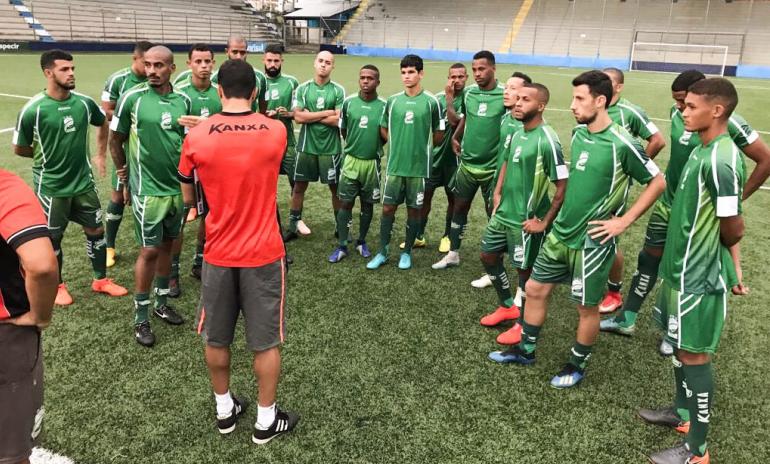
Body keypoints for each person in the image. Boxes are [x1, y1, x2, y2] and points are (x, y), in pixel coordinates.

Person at [494, 71, 665, 389]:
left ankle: (577, 364)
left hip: (593, 240)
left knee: (586, 307)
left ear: (600, 101)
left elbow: (658, 181)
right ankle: (525, 351)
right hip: (561, 232)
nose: (572, 105)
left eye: (579, 98)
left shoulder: (622, 142)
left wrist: (623, 221)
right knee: (535, 289)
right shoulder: (578, 133)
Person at [601, 69, 770, 355]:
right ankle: (627, 318)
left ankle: (674, 330)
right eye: (679, 102)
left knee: (682, 270)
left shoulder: (729, 124)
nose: (680, 109)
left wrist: (736, 200)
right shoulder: (679, 113)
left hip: (696, 213)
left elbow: (765, 160)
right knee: (648, 259)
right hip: (667, 204)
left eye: (686, 102)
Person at [178, 58, 299, 444]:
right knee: (266, 342)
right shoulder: (275, 131)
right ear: (255, 91)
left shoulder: (198, 135)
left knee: (217, 338)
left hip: (217, 253)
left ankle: (224, 412)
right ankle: (265, 421)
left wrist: (207, 127)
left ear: (218, 90)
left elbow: (187, 191)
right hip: (263, 252)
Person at [642, 78, 745, 464]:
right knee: (680, 349)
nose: (682, 111)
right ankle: (681, 413)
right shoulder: (702, 149)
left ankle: (697, 450)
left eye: (690, 106)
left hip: (698, 278)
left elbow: (733, 226)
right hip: (679, 272)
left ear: (716, 110)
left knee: (695, 356)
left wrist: (729, 265)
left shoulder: (721, 159)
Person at [13, 49, 128, 306]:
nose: (71, 73)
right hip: (52, 187)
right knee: (54, 238)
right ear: (48, 73)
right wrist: (44, 157)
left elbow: (102, 122)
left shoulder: (84, 103)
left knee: (96, 230)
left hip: (84, 184)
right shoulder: (33, 110)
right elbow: (19, 148)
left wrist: (100, 154)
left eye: (72, 68)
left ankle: (100, 280)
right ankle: (57, 286)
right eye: (64, 69)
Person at [110, 45, 191, 347]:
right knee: (149, 251)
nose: (152, 71)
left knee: (168, 245)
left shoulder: (183, 100)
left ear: (172, 68)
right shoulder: (132, 98)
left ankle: (161, 303)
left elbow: (187, 145)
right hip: (147, 191)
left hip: (176, 189)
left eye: (159, 65)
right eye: (148, 65)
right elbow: (115, 139)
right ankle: (140, 318)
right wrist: (123, 176)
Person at [482, 83, 568, 352]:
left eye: (525, 99)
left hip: (525, 220)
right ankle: (507, 306)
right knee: (488, 256)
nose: (518, 103)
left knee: (524, 272)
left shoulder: (547, 139)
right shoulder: (518, 132)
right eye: (517, 98)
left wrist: (544, 222)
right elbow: (506, 161)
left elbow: (562, 184)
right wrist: (497, 193)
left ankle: (522, 323)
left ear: (541, 106)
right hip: (503, 213)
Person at [0, 169, 59, 464]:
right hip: (6, 335)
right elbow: (41, 265)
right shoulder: (4, 186)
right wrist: (40, 316)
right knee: (11, 454)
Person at [597, 67, 667, 314]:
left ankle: (614, 292)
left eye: (608, 81)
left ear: (619, 87)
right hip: (592, 183)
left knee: (608, 237)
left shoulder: (630, 111)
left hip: (614, 189)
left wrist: (633, 169)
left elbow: (658, 140)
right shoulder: (595, 108)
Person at [367, 54, 443, 270]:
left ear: (421, 74)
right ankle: (382, 252)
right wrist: (397, 142)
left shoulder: (431, 102)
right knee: (387, 209)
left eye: (411, 72)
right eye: (403, 72)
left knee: (414, 211)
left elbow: (438, 134)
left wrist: (420, 147)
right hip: (395, 166)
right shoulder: (393, 101)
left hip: (418, 169)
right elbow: (383, 127)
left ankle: (406, 252)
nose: (407, 76)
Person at [432, 50, 506, 271]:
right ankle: (453, 254)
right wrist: (456, 137)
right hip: (467, 165)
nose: (477, 73)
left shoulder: (504, 95)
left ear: (493, 68)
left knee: (493, 215)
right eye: (474, 70)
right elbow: (465, 118)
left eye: (482, 69)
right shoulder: (470, 93)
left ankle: (495, 265)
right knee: (459, 207)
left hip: (492, 168)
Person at [471, 71, 532, 290]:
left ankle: (522, 290)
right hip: (499, 188)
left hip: (519, 196)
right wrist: (497, 190)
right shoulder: (505, 118)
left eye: (513, 88)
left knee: (520, 246)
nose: (506, 92)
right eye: (506, 87)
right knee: (494, 238)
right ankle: (496, 275)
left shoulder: (529, 126)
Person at [171, 43, 223, 296]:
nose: (203, 66)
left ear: (213, 63)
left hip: (213, 165)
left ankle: (199, 261)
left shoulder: (220, 93)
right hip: (186, 165)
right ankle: (172, 273)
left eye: (207, 61)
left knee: (209, 215)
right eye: (198, 61)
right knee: (179, 217)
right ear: (189, 64)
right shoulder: (179, 94)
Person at [402, 62, 467, 254]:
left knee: (453, 200)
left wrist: (449, 98)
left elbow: (454, 122)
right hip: (432, 160)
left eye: (460, 76)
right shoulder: (435, 99)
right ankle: (418, 235)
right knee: (424, 198)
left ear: (466, 78)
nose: (456, 80)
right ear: (448, 78)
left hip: (455, 161)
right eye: (453, 77)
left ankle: (447, 236)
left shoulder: (469, 98)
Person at [101, 41, 154, 267]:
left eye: (154, 64)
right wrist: (132, 117)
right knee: (118, 197)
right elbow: (106, 110)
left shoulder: (156, 81)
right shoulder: (118, 80)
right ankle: (108, 246)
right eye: (146, 63)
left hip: (149, 146)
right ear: (135, 58)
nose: (150, 69)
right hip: (124, 145)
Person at [328, 64, 387, 262]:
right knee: (345, 202)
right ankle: (342, 245)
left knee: (367, 204)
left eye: (370, 78)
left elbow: (385, 135)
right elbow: (344, 130)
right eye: (362, 77)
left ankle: (361, 241)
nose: (365, 81)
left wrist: (372, 146)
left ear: (378, 82)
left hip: (371, 163)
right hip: (351, 161)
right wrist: (355, 146)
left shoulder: (384, 105)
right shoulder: (349, 103)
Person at [285, 51, 346, 241]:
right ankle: (293, 226)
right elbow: (298, 117)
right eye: (320, 61)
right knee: (299, 187)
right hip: (306, 147)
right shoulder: (303, 89)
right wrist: (326, 112)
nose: (323, 65)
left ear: (333, 66)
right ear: (315, 63)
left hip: (331, 149)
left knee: (335, 189)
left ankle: (340, 227)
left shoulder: (338, 90)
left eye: (328, 62)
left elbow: (338, 120)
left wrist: (310, 115)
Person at [174, 35, 268, 114]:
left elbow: (263, 107)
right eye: (235, 52)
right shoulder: (216, 77)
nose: (238, 56)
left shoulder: (259, 77)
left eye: (242, 52)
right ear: (227, 51)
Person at [263, 43, 300, 193]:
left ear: (281, 61)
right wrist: (264, 115)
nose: (272, 64)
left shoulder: (292, 82)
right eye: (269, 60)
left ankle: (295, 209)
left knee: (296, 182)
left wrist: (288, 113)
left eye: (276, 61)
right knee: (265, 183)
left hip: (287, 140)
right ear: (263, 60)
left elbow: (299, 112)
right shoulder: (257, 81)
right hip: (263, 142)